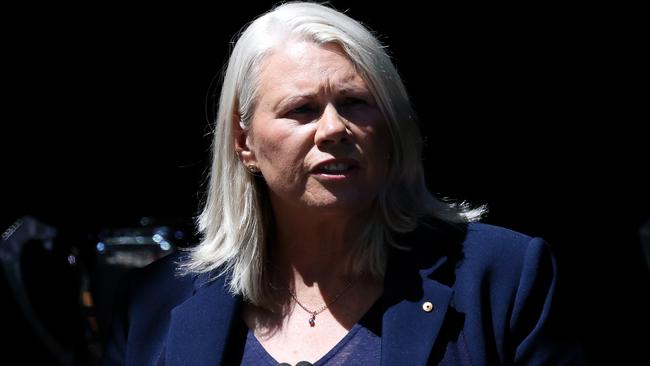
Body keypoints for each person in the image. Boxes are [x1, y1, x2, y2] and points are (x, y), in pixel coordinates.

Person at [102, 2, 583, 365]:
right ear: (244, 143)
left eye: (354, 102)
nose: (333, 129)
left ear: (391, 127)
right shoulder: (157, 304)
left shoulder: (504, 276)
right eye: (301, 110)